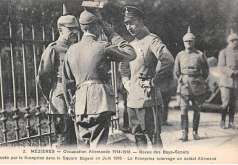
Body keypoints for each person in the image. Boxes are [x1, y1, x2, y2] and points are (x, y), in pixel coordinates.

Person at [62, 9, 136, 148]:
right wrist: (112, 33)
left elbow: (66, 82)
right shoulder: (102, 46)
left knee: (84, 147)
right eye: (100, 26)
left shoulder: (71, 50)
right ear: (96, 26)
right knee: (98, 147)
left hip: (80, 105)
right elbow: (131, 54)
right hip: (100, 102)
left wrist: (70, 105)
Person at [120, 6, 174, 148]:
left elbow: (168, 60)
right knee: (138, 137)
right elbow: (124, 67)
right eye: (126, 24)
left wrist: (154, 82)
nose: (129, 27)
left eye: (132, 22)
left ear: (141, 21)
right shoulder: (130, 45)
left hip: (148, 98)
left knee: (154, 137)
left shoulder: (152, 40)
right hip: (132, 99)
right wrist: (126, 83)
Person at [37, 11, 79, 147]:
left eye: (76, 29)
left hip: (77, 100)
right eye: (70, 29)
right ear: (61, 30)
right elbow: (43, 78)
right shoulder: (53, 49)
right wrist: (51, 97)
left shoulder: (76, 48)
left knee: (79, 141)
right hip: (61, 102)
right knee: (66, 141)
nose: (74, 32)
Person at [174, 27, 209, 142]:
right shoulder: (179, 55)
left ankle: (195, 132)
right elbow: (176, 71)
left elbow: (206, 71)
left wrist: (200, 80)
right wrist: (181, 78)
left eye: (190, 41)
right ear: (183, 42)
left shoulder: (200, 55)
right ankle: (184, 133)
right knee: (183, 110)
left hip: (197, 86)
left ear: (194, 42)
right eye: (186, 41)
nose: (188, 43)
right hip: (184, 86)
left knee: (197, 110)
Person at [218, 29, 238, 129]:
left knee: (233, 103)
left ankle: (231, 122)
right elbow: (221, 67)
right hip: (225, 82)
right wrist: (231, 72)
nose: (236, 42)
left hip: (235, 83)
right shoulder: (224, 52)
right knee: (225, 103)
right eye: (234, 40)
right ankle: (222, 121)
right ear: (230, 42)